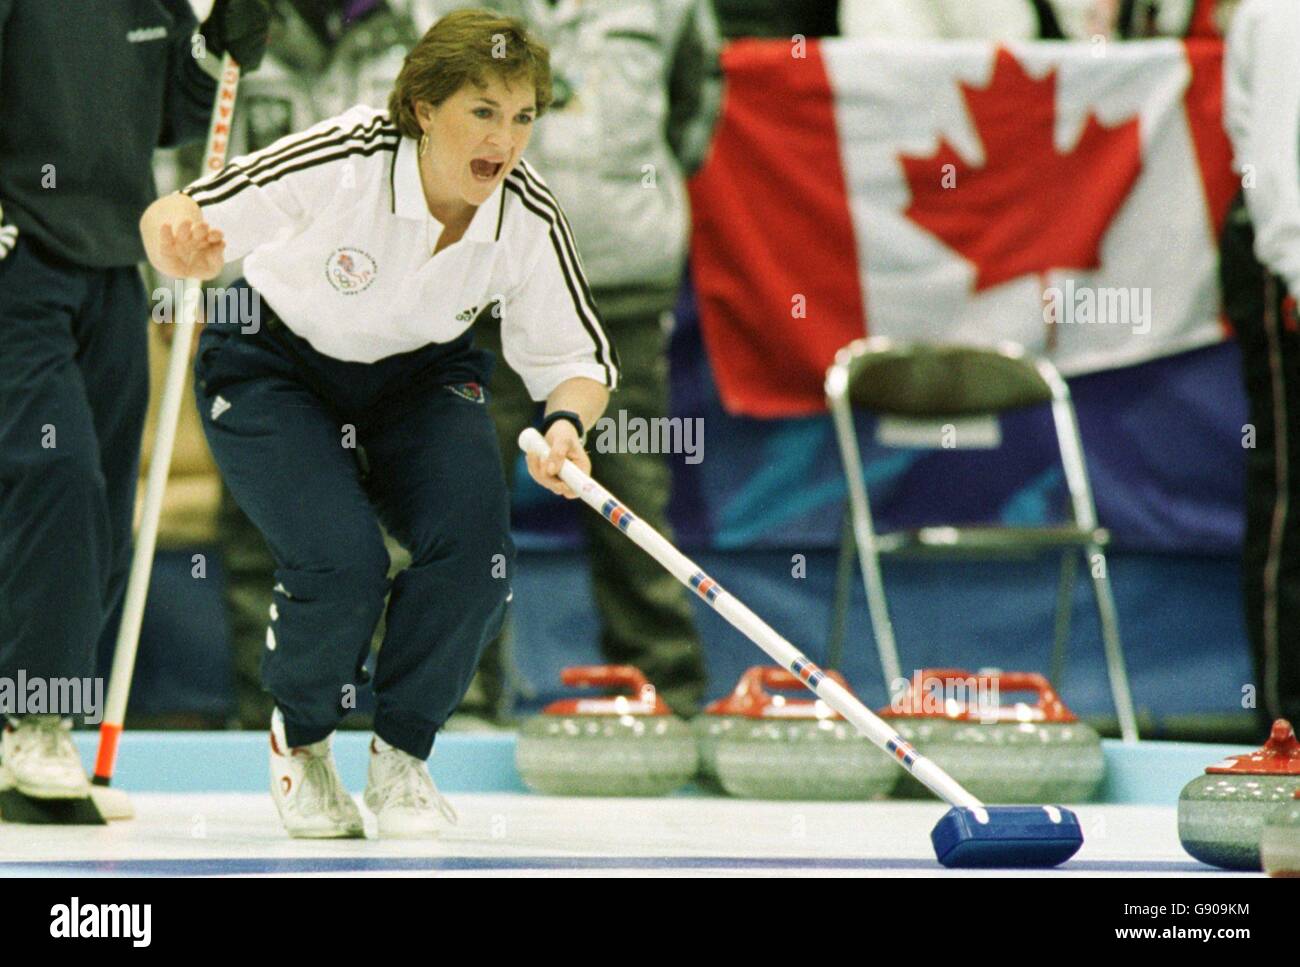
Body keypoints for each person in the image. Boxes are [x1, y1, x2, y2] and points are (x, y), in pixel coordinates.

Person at [139, 9, 618, 838]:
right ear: (425, 108)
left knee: (480, 552)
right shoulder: (345, 155)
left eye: (523, 117)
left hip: (421, 377)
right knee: (342, 560)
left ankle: (402, 755)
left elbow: (579, 360)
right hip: (272, 364)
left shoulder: (528, 214)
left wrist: (569, 423)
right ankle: (304, 736)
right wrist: (176, 242)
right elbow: (177, 210)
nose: (504, 140)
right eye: (483, 111)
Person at [0, 0, 269, 801]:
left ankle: (38, 719)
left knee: (109, 500)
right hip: (20, 259)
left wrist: (219, 53)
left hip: (114, 263)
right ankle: (33, 719)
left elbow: (172, 121)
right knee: (60, 475)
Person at [423, 0, 719, 725]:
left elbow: (696, 100)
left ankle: (664, 696)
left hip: (616, 272)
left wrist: (616, 199)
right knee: (460, 493)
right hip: (475, 278)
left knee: (629, 489)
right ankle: (456, 700)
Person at [1221, 0, 1300, 734]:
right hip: (1286, 265)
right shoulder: (1283, 15)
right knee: (1291, 498)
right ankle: (1286, 724)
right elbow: (1274, 166)